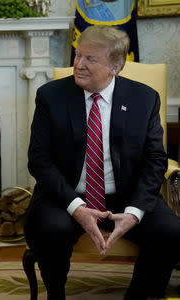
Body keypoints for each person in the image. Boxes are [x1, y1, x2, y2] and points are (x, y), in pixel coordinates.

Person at [24, 25, 180, 300]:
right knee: (51, 229)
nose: (79, 65)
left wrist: (133, 212)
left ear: (116, 66)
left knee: (169, 230)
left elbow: (155, 160)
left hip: (126, 194)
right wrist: (76, 207)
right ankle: (55, 295)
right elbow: (39, 160)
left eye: (90, 59)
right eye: (77, 55)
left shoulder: (144, 99)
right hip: (68, 194)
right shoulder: (51, 96)